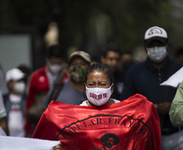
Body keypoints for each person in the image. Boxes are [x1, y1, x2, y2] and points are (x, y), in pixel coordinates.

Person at [33, 63, 161, 150]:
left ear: (111, 88)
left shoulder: (128, 113)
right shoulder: (74, 115)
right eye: (92, 84)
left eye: (102, 83)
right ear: (85, 87)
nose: (97, 88)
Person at [121, 26, 183, 149]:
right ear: (145, 47)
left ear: (168, 46)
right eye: (151, 45)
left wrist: (174, 108)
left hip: (179, 136)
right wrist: (150, 109)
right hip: (147, 136)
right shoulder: (134, 71)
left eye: (159, 44)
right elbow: (125, 105)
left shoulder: (180, 69)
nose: (155, 48)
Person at [24, 44, 69, 137]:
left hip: (60, 125)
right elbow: (29, 102)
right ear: (47, 59)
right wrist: (27, 129)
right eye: (53, 63)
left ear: (63, 62)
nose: (55, 66)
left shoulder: (68, 78)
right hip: (38, 123)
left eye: (58, 64)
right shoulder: (36, 77)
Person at [5, 68, 26, 137]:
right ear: (9, 84)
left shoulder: (27, 98)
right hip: (8, 138)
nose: (21, 83)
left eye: (22, 80)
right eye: (18, 81)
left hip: (24, 138)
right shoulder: (4, 100)